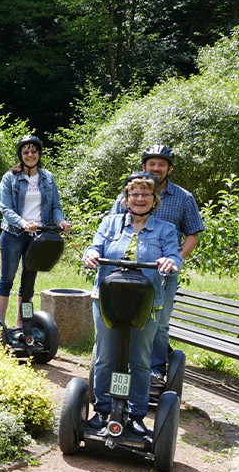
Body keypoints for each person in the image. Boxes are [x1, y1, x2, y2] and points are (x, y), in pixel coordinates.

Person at [84, 172, 181, 435]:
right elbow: (95, 247)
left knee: (140, 360)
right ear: (126, 198)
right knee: (105, 357)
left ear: (154, 199)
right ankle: (102, 410)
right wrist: (91, 254)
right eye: (134, 194)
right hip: (108, 300)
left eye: (146, 194)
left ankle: (137, 414)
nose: (140, 198)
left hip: (146, 304)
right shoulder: (110, 224)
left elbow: (175, 257)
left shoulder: (165, 230)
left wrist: (169, 262)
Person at [108, 145, 204, 387]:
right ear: (144, 166)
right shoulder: (130, 192)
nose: (156, 168)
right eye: (152, 163)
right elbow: (112, 226)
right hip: (126, 271)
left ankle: (155, 371)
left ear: (169, 169)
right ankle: (120, 365)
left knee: (159, 322)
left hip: (163, 273)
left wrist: (175, 259)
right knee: (121, 318)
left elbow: (193, 234)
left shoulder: (183, 197)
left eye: (162, 164)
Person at [0, 135, 72, 325]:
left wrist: (61, 221)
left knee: (28, 284)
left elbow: (55, 206)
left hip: (38, 237)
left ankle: (23, 323)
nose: (30, 155)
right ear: (20, 155)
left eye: (34, 151)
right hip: (13, 234)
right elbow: (5, 208)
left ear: (39, 153)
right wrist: (22, 223)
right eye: (26, 152)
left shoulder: (47, 178)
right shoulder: (10, 178)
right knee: (7, 280)